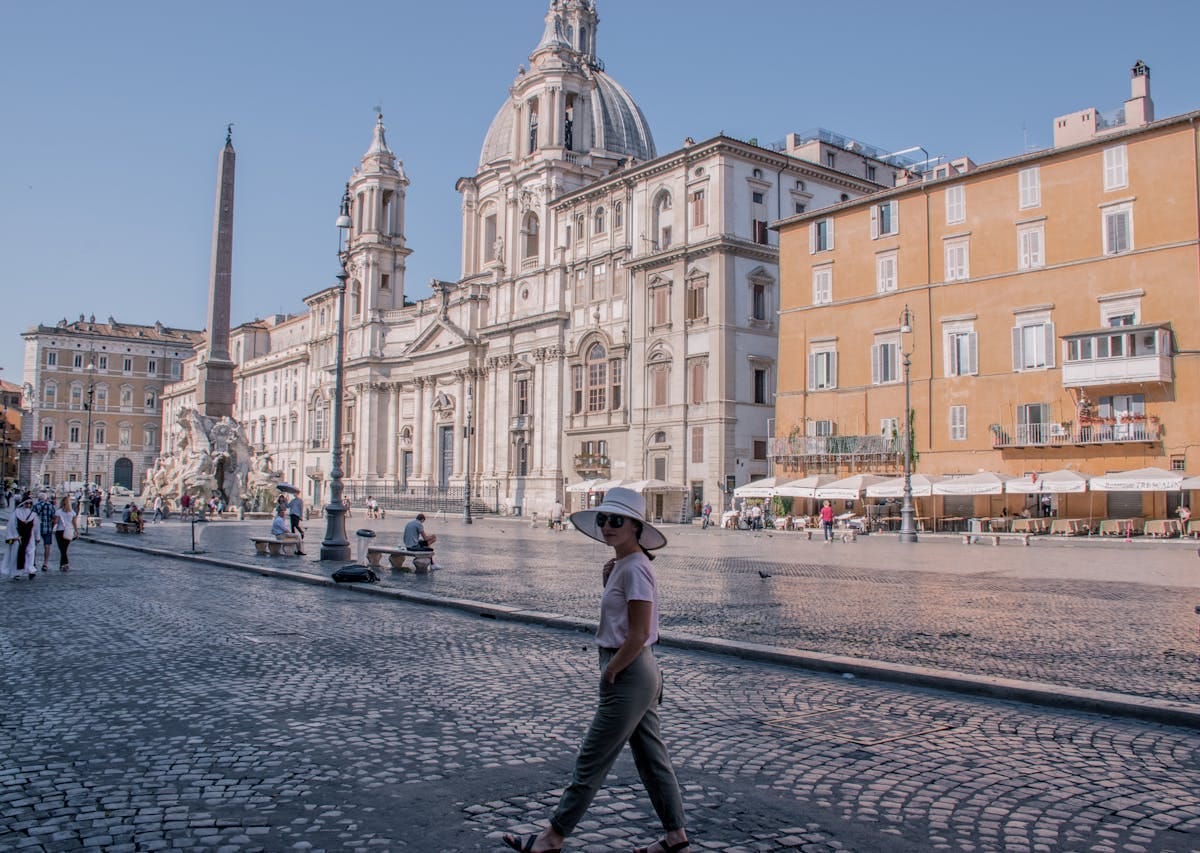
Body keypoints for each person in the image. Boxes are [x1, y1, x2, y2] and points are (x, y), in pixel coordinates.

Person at [502, 488, 689, 853]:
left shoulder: (635, 568)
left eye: (616, 520)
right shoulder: (624, 566)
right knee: (652, 759)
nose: (607, 526)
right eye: (603, 519)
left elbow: (637, 634)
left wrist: (611, 672)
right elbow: (624, 620)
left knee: (593, 758)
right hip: (635, 670)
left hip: (629, 671)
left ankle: (552, 836)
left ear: (636, 526)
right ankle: (675, 837)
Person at [2, 495, 42, 581]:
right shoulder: (16, 513)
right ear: (23, 503)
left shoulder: (33, 515)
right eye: (27, 503)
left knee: (30, 554)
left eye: (30, 503)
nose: (28, 505)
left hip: (30, 537)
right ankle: (17, 573)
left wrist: (37, 537)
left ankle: (30, 570)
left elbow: (36, 527)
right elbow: (11, 525)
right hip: (18, 537)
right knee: (17, 554)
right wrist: (13, 536)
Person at [32, 491, 57, 572]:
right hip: (47, 528)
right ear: (46, 498)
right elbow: (54, 518)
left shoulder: (35, 506)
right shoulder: (50, 506)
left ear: (39, 498)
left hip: (36, 529)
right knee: (47, 546)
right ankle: (45, 563)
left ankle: (33, 562)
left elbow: (32, 518)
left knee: (33, 546)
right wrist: (52, 527)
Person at [53, 495, 79, 572]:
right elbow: (74, 523)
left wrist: (53, 521)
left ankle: (65, 563)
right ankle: (63, 564)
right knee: (65, 549)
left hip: (60, 531)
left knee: (62, 549)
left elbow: (56, 522)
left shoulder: (58, 512)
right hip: (69, 531)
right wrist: (76, 531)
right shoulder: (72, 512)